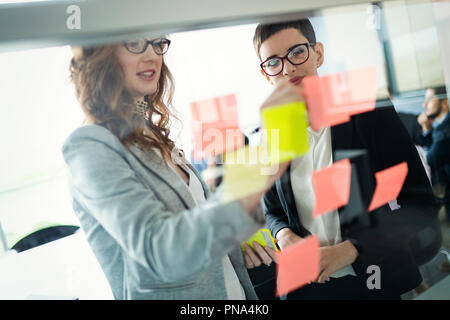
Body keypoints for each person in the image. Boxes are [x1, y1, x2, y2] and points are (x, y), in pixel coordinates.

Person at [63, 36, 290, 299]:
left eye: (157, 42)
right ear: (99, 54)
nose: (152, 56)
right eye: (135, 43)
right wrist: (254, 177)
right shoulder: (90, 147)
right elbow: (161, 251)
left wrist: (233, 240)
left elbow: (194, 225)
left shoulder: (154, 137)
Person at [252, 19, 441, 299]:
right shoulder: (274, 131)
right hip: (307, 287)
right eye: (273, 62)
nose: (288, 67)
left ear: (318, 53)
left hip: (373, 279)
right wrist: (283, 235)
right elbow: (273, 211)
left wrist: (351, 248)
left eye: (296, 52)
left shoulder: (369, 112)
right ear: (266, 74)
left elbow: (418, 204)